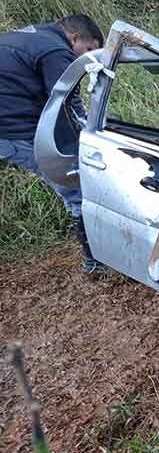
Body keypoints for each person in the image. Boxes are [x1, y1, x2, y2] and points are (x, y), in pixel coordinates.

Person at [0, 14, 104, 272]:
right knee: (75, 185)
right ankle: (95, 261)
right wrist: (90, 136)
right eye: (89, 50)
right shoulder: (55, 51)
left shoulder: (27, 35)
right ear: (75, 38)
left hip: (9, 125)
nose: (87, 57)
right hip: (18, 131)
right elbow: (67, 102)